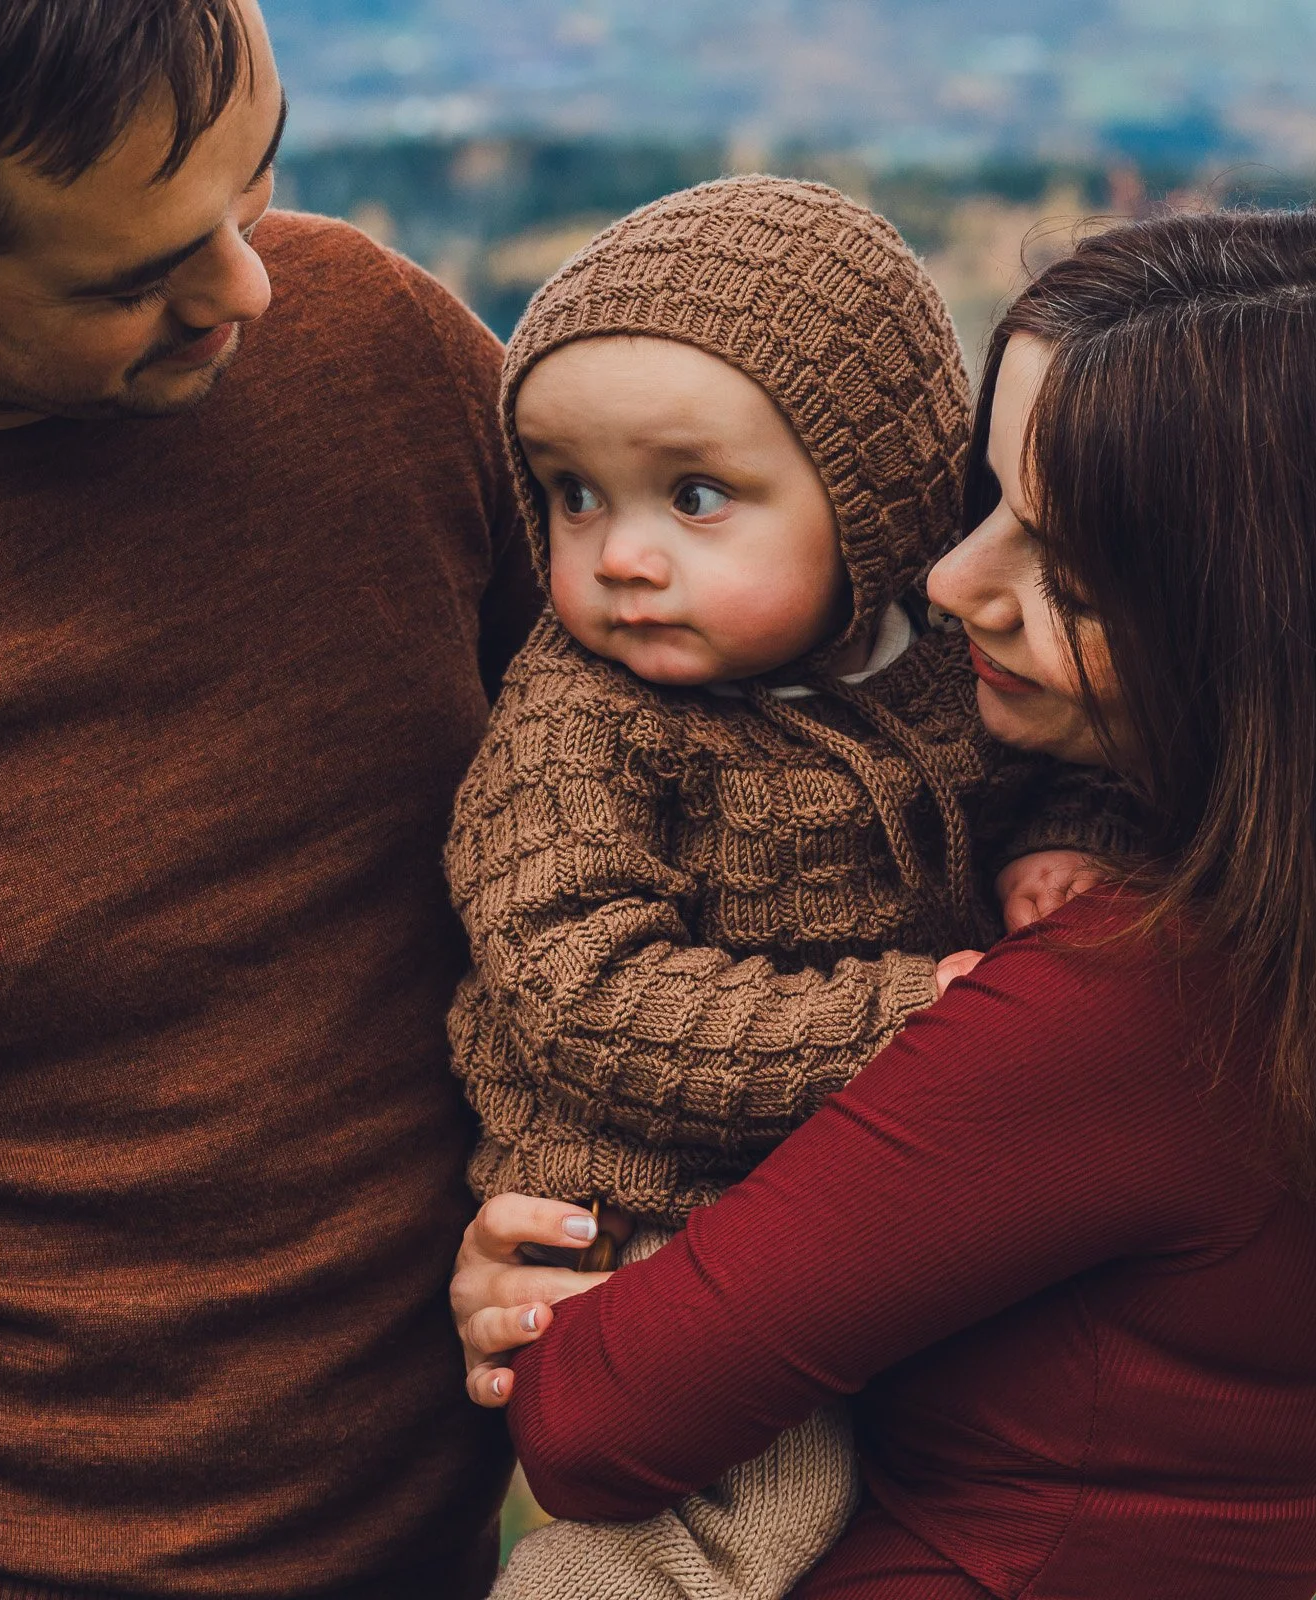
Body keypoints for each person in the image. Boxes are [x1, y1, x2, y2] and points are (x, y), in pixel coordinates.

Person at [450, 210, 1316, 1597]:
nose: (952, 584)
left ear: (1270, 628)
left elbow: (595, 1429)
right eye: (981, 503)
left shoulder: (1126, 1013)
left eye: (1064, 574)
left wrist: (539, 1318)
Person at [0, 1, 537, 1595]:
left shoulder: (375, 346)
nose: (251, 288)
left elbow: (671, 761)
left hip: (463, 1531)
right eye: (131, 278)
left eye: (257, 183)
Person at [445, 177, 1133, 1600]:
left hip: (859, 1185)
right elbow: (582, 996)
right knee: (727, 1523)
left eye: (696, 497)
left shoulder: (940, 658)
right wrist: (922, 1020)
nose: (624, 556)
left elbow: (1053, 761)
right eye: (574, 497)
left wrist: (1057, 840)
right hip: (649, 1200)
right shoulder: (582, 720)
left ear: (875, 498)